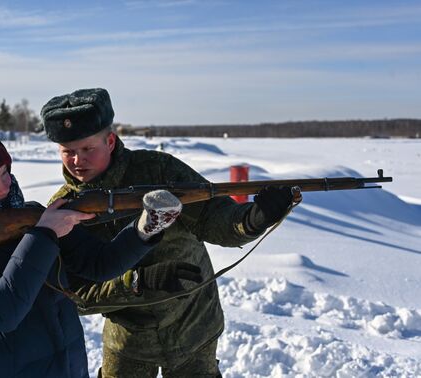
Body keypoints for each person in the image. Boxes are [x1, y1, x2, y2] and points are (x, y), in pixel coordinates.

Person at [40, 88, 295, 378]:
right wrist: (136, 283)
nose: (77, 160)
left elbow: (213, 217)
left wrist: (252, 220)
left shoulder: (158, 170)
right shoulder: (61, 212)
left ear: (110, 141)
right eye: (68, 152)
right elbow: (72, 293)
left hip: (194, 325)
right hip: (128, 341)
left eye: (87, 149)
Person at [0, 126, 185, 378]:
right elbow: (0, 312)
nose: (4, 188)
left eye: (4, 174)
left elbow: (100, 264)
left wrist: (144, 229)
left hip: (69, 365)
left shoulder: (32, 214)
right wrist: (44, 235)